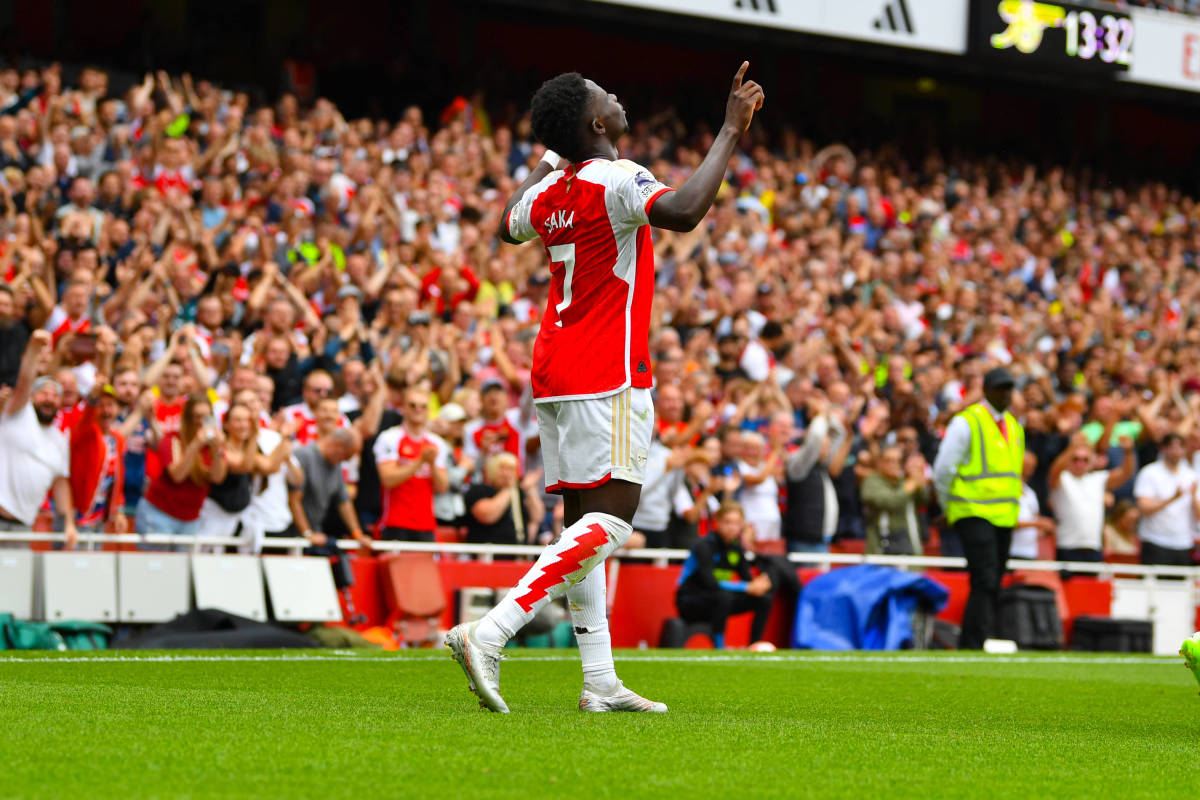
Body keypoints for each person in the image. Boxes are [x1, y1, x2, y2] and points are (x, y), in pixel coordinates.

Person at [446, 61, 765, 713]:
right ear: (598, 123)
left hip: (554, 372)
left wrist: (548, 161)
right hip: (608, 371)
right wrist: (730, 131)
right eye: (607, 97)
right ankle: (492, 629)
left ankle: (598, 679)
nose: (618, 98)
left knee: (581, 527)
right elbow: (682, 211)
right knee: (614, 523)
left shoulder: (548, 192)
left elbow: (507, 224)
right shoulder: (618, 177)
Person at [932, 367, 1025, 651]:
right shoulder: (966, 422)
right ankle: (972, 643)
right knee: (984, 578)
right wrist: (947, 505)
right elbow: (943, 469)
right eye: (1000, 388)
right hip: (971, 511)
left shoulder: (1015, 427)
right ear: (985, 390)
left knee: (993, 580)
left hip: (1003, 516)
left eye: (1009, 388)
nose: (1006, 394)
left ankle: (978, 639)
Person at [0, 330, 77, 549]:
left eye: (55, 395)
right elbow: (25, 381)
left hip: (23, 527)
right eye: (43, 393)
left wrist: (69, 523)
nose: (49, 399)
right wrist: (34, 348)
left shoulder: (60, 439)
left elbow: (61, 482)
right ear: (32, 397)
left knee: (15, 582)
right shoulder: (17, 414)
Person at [675, 501, 774, 648]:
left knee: (764, 599)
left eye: (736, 523)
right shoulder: (704, 545)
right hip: (690, 600)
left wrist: (759, 584)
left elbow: (747, 580)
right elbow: (710, 583)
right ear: (717, 522)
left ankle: (754, 645)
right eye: (727, 522)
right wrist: (747, 587)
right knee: (723, 597)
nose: (732, 527)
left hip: (717, 599)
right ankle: (719, 646)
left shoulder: (736, 548)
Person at [136, 393, 227, 545]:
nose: (200, 422)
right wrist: (195, 444)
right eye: (196, 416)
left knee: (183, 567)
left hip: (190, 519)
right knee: (157, 566)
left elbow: (217, 477)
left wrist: (218, 448)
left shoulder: (213, 446)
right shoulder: (171, 439)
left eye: (205, 417)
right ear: (187, 417)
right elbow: (177, 475)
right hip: (160, 513)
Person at [374, 387, 450, 542]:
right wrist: (421, 461)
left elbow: (442, 487)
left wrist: (432, 464)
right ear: (403, 409)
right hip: (395, 522)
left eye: (423, 406)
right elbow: (388, 479)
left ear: (429, 411)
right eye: (412, 405)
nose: (418, 410)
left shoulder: (437, 443)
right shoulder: (390, 437)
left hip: (426, 524)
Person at [1048, 434, 1136, 564]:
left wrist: (1128, 452)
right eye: (1075, 459)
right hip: (1067, 545)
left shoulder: (1097, 479)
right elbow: (1054, 471)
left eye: (1085, 460)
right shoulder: (1063, 478)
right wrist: (1073, 447)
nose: (1080, 463)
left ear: (1092, 461)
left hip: (1093, 546)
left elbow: (1125, 474)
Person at [1133, 432, 1200, 567]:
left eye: (1180, 447)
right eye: (1171, 447)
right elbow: (1144, 508)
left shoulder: (1191, 476)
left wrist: (1193, 497)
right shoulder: (1150, 473)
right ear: (1163, 448)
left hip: (1183, 543)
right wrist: (1172, 498)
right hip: (1154, 541)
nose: (1176, 451)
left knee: (1182, 588)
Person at [861, 446, 930, 556]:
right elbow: (890, 502)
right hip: (880, 550)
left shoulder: (904, 481)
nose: (893, 464)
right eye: (889, 460)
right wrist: (911, 485)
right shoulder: (872, 481)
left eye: (898, 461)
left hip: (910, 547)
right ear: (880, 462)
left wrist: (918, 477)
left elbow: (924, 500)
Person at [464, 452, 545, 546]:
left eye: (511, 469)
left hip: (518, 554)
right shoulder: (479, 490)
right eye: (502, 468)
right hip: (490, 554)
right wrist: (508, 489)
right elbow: (487, 516)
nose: (507, 473)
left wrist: (531, 490)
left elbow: (537, 517)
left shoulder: (518, 492)